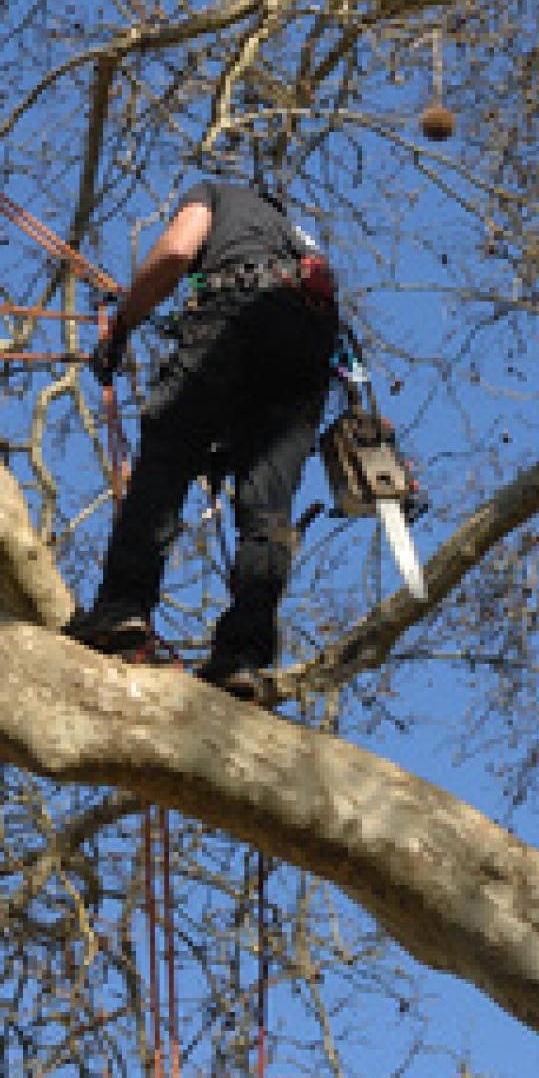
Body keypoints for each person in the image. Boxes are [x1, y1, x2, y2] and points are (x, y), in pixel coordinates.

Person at [65, 176, 338, 700]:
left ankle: (123, 609)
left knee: (167, 455)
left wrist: (122, 327)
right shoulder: (299, 241)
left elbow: (174, 252)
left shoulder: (215, 193)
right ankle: (242, 657)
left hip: (237, 310)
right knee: (267, 506)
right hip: (309, 348)